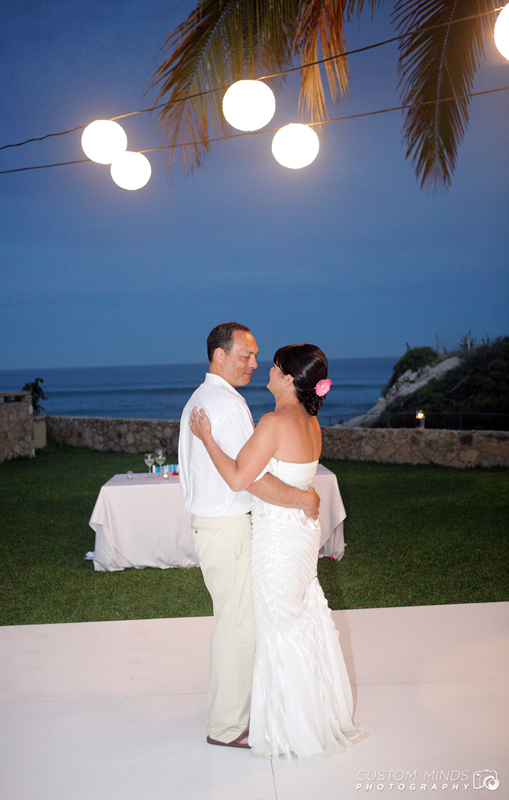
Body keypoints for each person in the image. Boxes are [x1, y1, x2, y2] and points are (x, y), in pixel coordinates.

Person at [190, 343, 367, 759]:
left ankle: (291, 724)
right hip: (302, 536)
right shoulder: (311, 421)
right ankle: (313, 714)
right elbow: (299, 483)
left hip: (277, 540)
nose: (265, 371)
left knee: (279, 626)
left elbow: (238, 478)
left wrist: (208, 439)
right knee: (301, 616)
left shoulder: (273, 421)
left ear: (288, 378)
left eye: (273, 367)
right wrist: (303, 500)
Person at [179, 324, 321, 750]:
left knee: (239, 621)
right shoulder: (226, 407)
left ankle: (238, 711)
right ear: (219, 356)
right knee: (237, 627)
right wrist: (301, 498)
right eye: (245, 356)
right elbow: (250, 479)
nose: (254, 364)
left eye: (258, 357)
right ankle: (226, 726)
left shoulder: (203, 399)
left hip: (215, 524)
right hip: (227, 526)